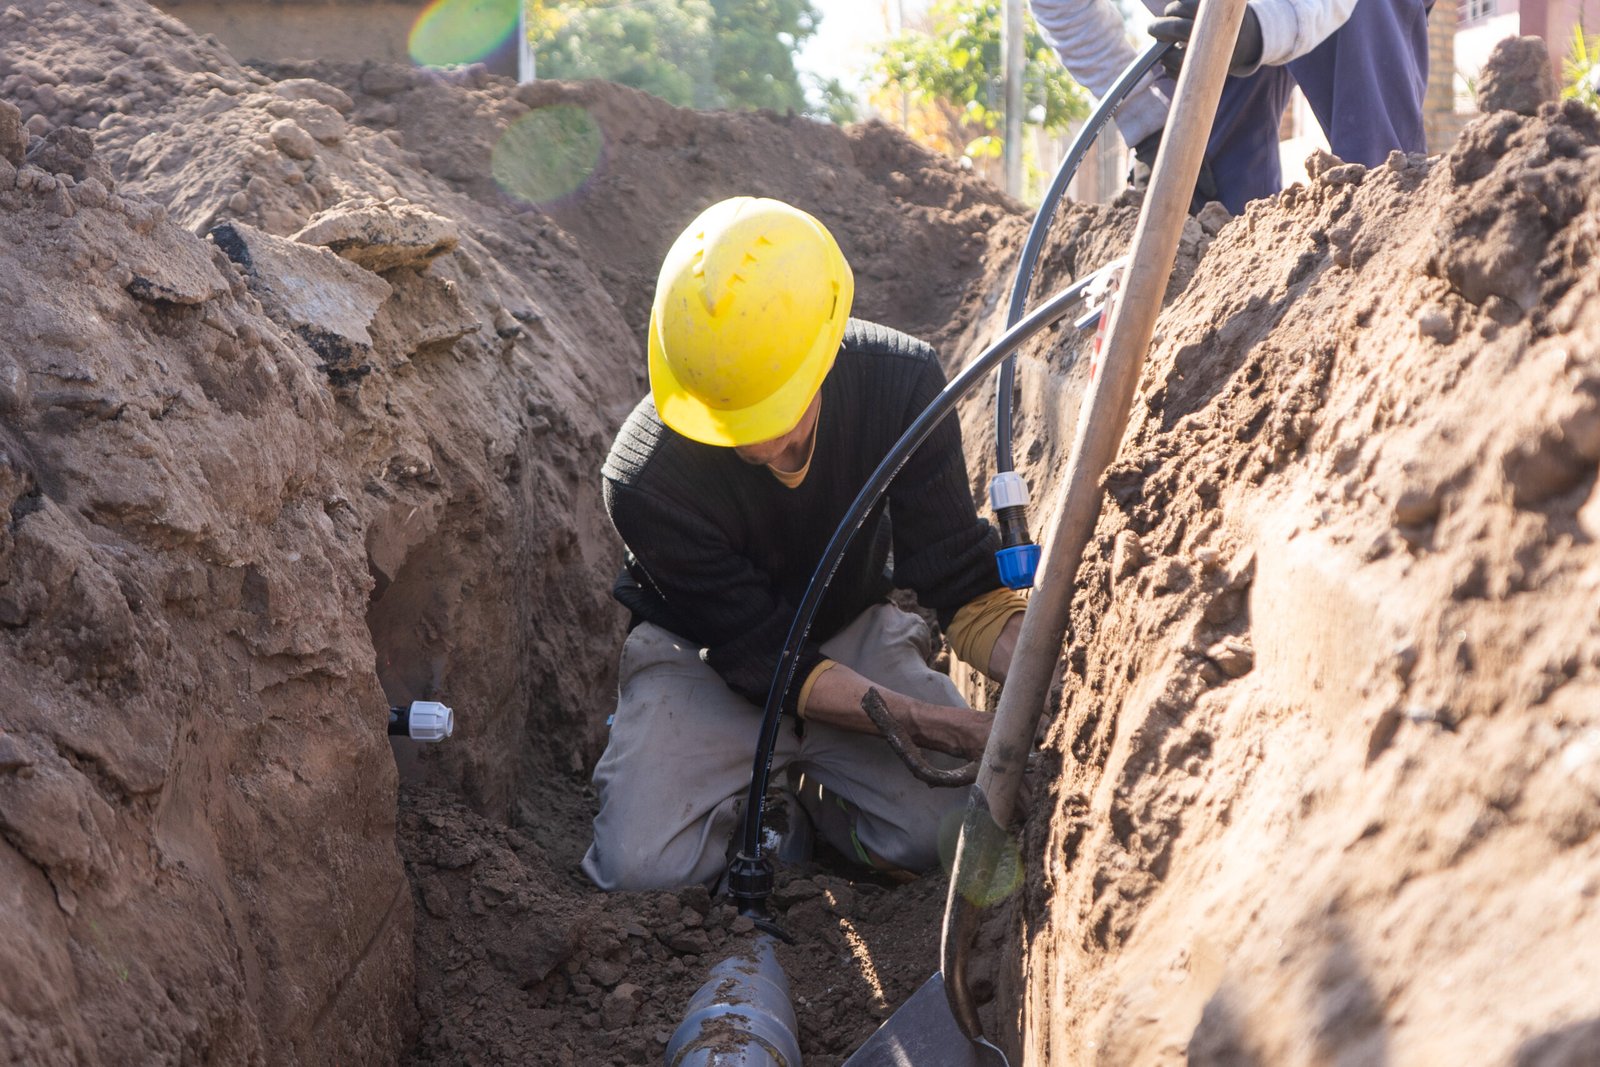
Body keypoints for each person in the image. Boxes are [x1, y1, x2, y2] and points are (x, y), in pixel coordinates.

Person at [582, 196, 1027, 892]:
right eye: (734, 421)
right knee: (640, 868)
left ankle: (823, 814)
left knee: (939, 832)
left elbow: (960, 581)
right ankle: (748, 800)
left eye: (783, 411)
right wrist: (934, 722)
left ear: (826, 348)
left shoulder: (901, 384)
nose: (765, 445)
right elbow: (760, 654)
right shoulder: (647, 479)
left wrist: (1047, 679)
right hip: (706, 655)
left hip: (847, 627)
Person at [1030, 0, 1430, 213]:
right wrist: (1147, 121)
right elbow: (1063, 6)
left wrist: (1259, 32)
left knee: (1374, 159)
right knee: (1205, 192)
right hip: (1207, 22)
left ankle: (1390, 228)